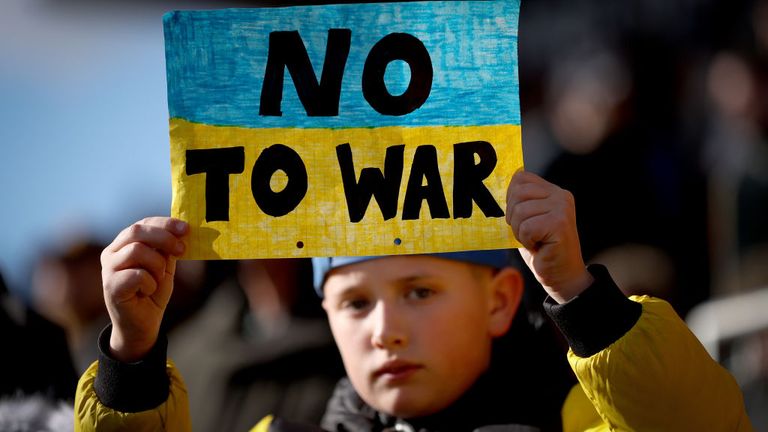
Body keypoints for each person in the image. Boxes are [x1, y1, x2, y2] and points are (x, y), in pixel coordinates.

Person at [74, 171, 753, 431]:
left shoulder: (577, 425)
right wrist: (131, 360)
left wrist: (578, 293)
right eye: (354, 304)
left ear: (501, 300)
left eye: (420, 291)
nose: (386, 331)